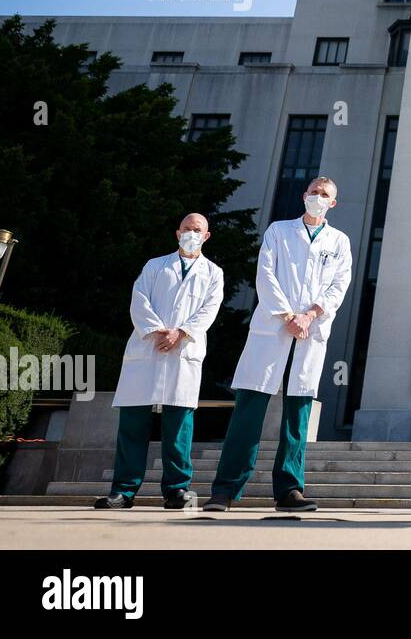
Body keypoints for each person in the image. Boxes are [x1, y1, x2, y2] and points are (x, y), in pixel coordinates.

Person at [204, 177, 352, 512]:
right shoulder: (279, 231)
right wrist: (288, 315)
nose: (318, 197)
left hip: (310, 332)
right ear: (304, 196)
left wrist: (310, 315)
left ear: (333, 204)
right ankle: (225, 489)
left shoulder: (339, 241)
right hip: (273, 327)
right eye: (313, 192)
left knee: (297, 416)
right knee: (249, 411)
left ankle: (289, 490)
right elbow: (265, 275)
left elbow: (339, 286)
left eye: (325, 195)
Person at [95, 213, 223, 509]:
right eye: (187, 229)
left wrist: (181, 333)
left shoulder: (213, 272)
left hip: (184, 352)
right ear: (178, 233)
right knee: (133, 423)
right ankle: (123, 490)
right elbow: (139, 300)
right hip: (148, 349)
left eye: (197, 230)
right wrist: (157, 331)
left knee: (178, 425)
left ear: (206, 236)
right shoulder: (155, 266)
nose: (191, 233)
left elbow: (209, 309)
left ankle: (177, 489)